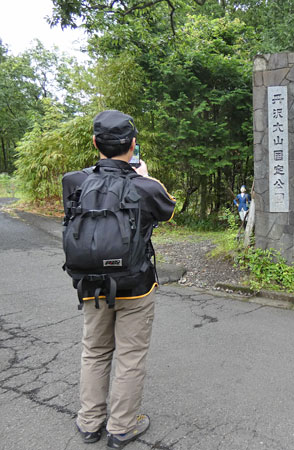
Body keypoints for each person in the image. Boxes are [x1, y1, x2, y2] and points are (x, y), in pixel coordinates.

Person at [62, 110, 176, 448]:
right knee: (130, 356)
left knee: (94, 352)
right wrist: (142, 175)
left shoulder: (74, 181)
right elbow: (167, 209)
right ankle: (123, 427)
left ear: (95, 143)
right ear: (133, 145)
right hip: (136, 285)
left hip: (91, 285)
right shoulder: (145, 186)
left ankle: (89, 423)